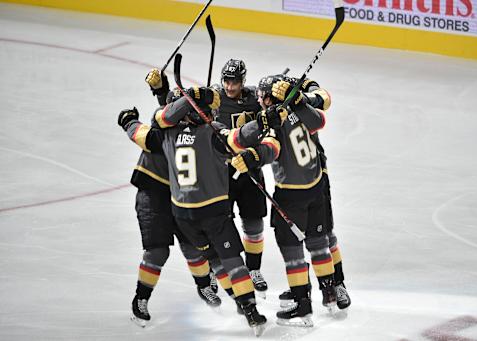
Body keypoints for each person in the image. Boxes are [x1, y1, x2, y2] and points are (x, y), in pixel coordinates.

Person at [118, 84, 282, 336]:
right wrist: (261, 124)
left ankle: (224, 294)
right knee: (163, 252)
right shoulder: (207, 132)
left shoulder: (165, 131)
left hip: (181, 206)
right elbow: (236, 138)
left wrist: (129, 120)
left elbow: (150, 124)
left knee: (205, 255)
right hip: (164, 198)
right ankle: (246, 306)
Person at [252, 74, 350, 327]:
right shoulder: (299, 109)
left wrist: (250, 156)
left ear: (269, 98)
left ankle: (302, 304)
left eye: (262, 97)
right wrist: (299, 102)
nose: (259, 101)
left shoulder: (271, 120)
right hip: (316, 185)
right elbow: (319, 119)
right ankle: (329, 293)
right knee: (319, 241)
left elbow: (268, 150)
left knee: (292, 249)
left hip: (291, 193)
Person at [125, 69, 221, 328]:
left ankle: (204, 286)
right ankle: (140, 299)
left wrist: (160, 91)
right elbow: (151, 130)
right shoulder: (165, 129)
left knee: (193, 246)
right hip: (152, 192)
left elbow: (171, 109)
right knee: (157, 251)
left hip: (179, 195)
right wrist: (129, 121)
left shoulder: (189, 129)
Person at [212, 59, 269, 297]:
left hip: (249, 169)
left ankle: (253, 270)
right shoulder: (214, 96)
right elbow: (182, 107)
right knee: (215, 224)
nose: (229, 86)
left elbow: (271, 110)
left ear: (243, 81)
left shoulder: (254, 97)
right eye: (226, 80)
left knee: (253, 221)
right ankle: (213, 272)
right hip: (220, 172)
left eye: (234, 81)